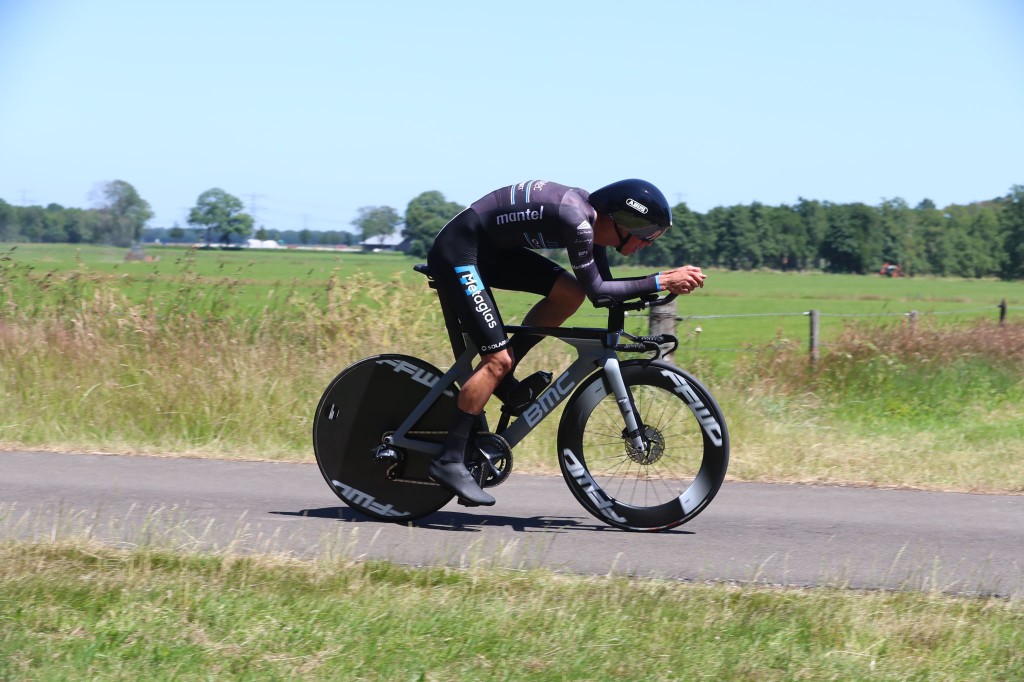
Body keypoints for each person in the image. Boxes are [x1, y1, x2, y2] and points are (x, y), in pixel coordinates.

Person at [426, 179, 707, 506]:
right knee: (495, 361)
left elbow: (601, 294)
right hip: (459, 250)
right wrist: (661, 279)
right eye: (647, 233)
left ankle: (503, 376)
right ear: (622, 221)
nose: (648, 243)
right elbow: (600, 291)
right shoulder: (577, 222)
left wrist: (650, 290)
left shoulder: (593, 224)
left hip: (492, 251)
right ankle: (448, 459)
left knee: (569, 294)